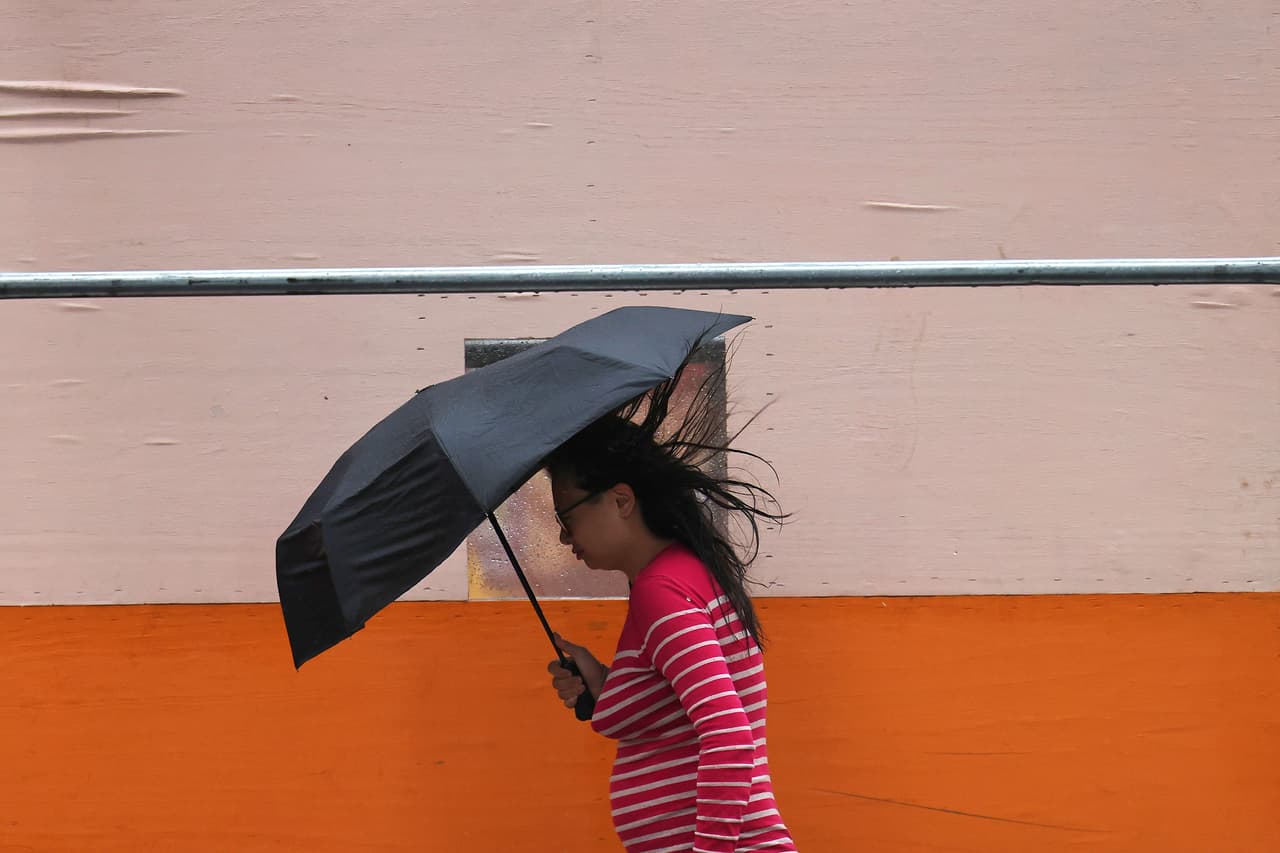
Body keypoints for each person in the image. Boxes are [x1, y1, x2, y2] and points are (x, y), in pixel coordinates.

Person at [544, 349, 798, 853]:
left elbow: (728, 734)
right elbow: (679, 713)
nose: (561, 536)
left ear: (620, 500)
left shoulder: (663, 593)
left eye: (566, 515)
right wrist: (601, 680)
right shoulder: (674, 577)